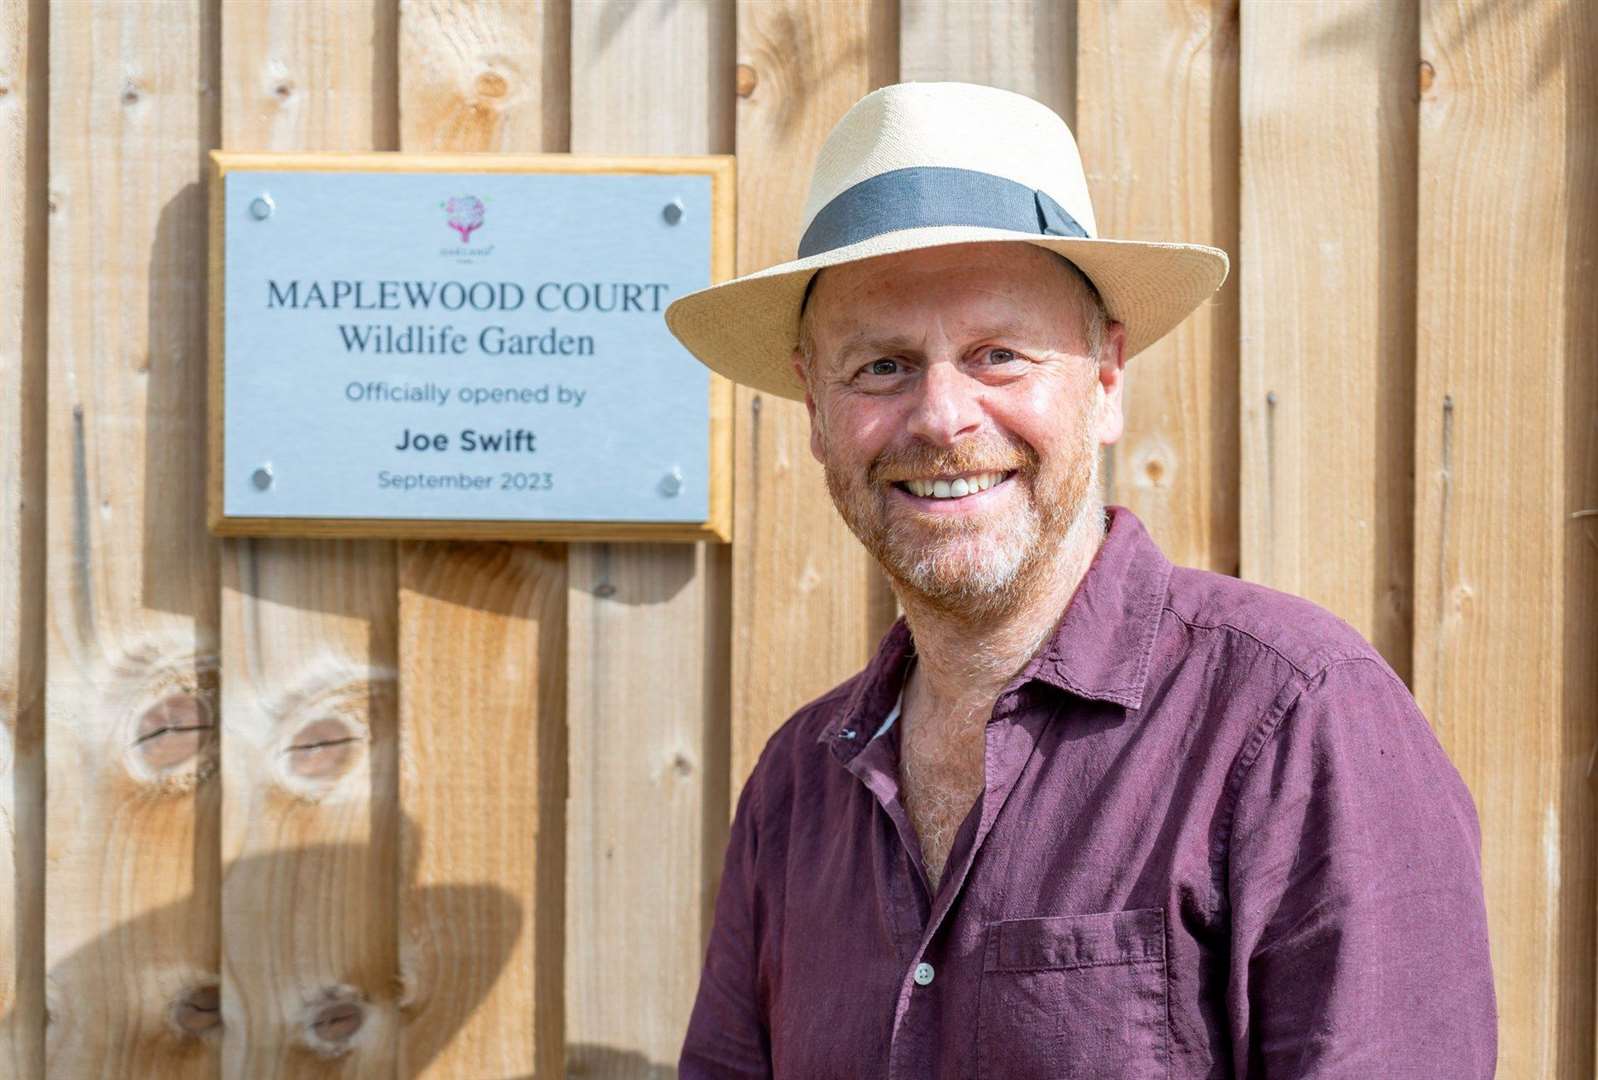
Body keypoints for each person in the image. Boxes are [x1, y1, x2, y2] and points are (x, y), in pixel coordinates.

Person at [664, 81, 1496, 1078]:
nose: (942, 417)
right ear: (812, 406)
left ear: (1105, 379)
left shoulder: (1295, 719)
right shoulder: (796, 786)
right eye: (880, 367)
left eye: (998, 355)